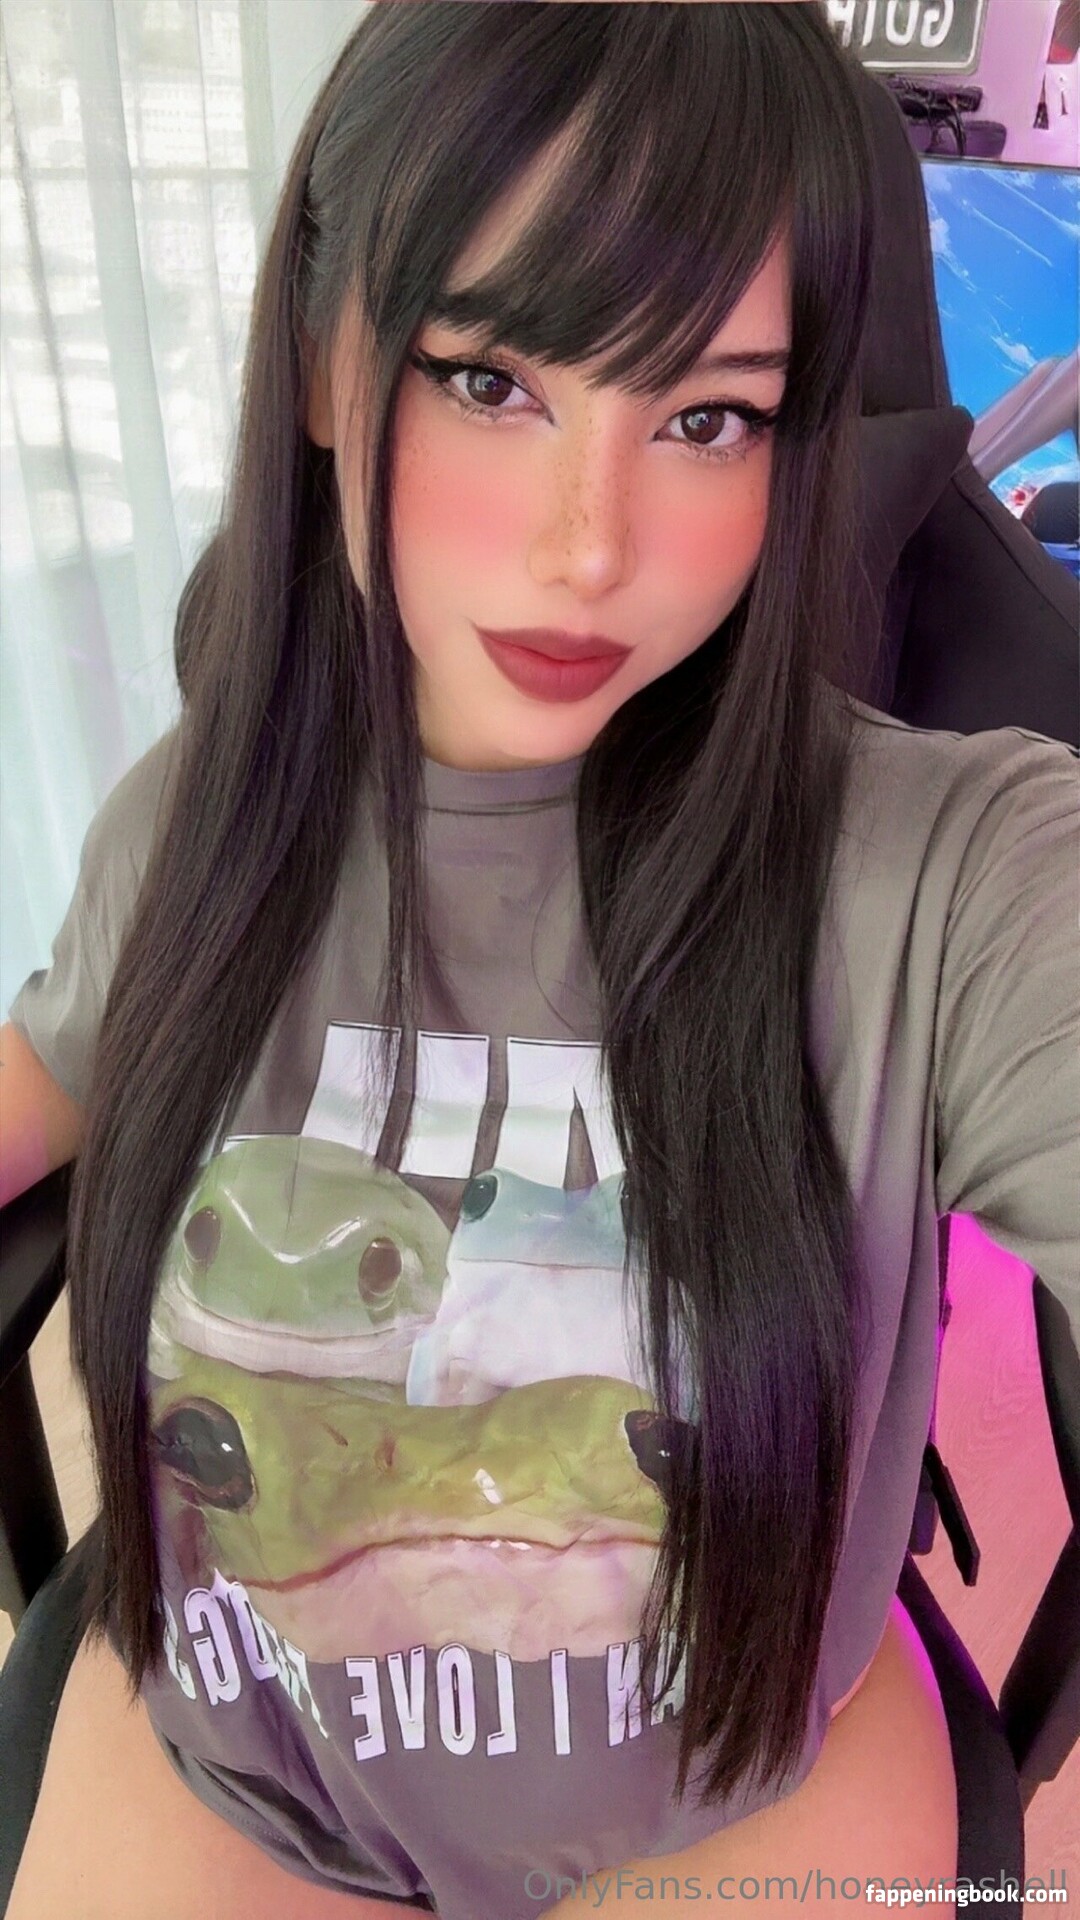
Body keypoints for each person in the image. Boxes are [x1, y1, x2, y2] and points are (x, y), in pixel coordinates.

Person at [1, 5, 1077, 1917]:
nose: (592, 550)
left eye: (707, 418)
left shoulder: (952, 869)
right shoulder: (198, 824)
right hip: (234, 1760)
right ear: (328, 365)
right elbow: (50, 1080)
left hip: (749, 1780)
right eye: (492, 381)